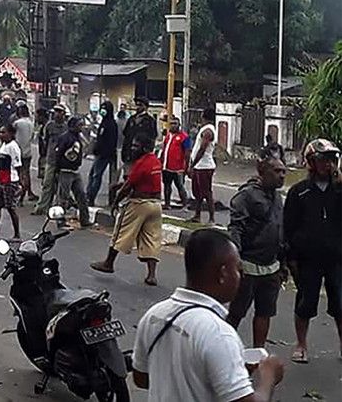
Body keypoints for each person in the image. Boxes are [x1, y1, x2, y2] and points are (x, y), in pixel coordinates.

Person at [131, 228, 284, 401]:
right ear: (223, 273)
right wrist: (269, 376)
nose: (240, 277)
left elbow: (141, 378)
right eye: (238, 270)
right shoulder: (218, 333)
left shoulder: (154, 315)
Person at [282, 138, 341, 364]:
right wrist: (290, 257)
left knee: (340, 304)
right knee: (305, 303)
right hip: (308, 259)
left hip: (336, 258)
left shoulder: (338, 190)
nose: (328, 164)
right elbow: (288, 226)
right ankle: (301, 344)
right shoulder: (300, 192)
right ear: (311, 162)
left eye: (331, 160)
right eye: (323, 160)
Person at [226, 150, 287, 348]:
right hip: (248, 266)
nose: (282, 176)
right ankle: (223, 347)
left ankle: (258, 353)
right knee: (237, 312)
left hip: (271, 268)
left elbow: (281, 230)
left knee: (265, 312)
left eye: (284, 172)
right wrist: (236, 261)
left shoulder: (277, 198)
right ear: (263, 171)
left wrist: (283, 264)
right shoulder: (247, 196)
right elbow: (235, 228)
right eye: (277, 171)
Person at [91, 133, 163, 285]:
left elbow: (128, 187)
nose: (132, 148)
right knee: (151, 238)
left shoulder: (141, 163)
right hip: (156, 205)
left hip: (139, 203)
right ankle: (151, 275)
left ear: (143, 148)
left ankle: (108, 263)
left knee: (121, 232)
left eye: (136, 146)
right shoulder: (155, 161)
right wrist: (120, 185)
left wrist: (115, 201)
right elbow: (138, 180)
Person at [54, 115, 92, 227]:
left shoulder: (77, 137)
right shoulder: (65, 138)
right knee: (63, 197)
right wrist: (58, 169)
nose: (81, 127)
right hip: (66, 170)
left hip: (75, 170)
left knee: (81, 195)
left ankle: (85, 220)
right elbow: (59, 154)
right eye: (79, 125)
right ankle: (60, 220)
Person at [0, 123, 23, 241]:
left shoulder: (13, 147)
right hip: (3, 180)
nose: (1, 135)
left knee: (10, 207)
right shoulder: (5, 145)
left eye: (4, 132)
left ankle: (17, 234)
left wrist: (20, 184)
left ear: (11, 134)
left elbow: (18, 165)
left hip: (10, 180)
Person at [34, 104, 67, 215]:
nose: (56, 114)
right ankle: (42, 207)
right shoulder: (49, 126)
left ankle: (59, 207)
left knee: (61, 186)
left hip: (62, 161)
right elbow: (45, 141)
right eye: (55, 112)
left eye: (59, 112)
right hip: (51, 159)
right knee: (47, 184)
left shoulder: (65, 128)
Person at [188, 108, 217, 224]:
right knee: (198, 193)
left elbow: (202, 149)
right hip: (199, 165)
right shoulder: (205, 130)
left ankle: (211, 218)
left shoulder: (208, 131)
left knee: (206, 192)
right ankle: (197, 215)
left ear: (203, 116)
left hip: (204, 165)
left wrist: (193, 164)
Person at [87, 100, 118, 207]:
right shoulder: (104, 122)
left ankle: (91, 197)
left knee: (96, 176)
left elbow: (110, 142)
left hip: (104, 155)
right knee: (92, 175)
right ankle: (89, 196)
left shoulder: (111, 124)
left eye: (104, 109)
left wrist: (103, 153)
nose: (102, 111)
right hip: (99, 154)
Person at [159, 116, 191, 210]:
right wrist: (161, 161)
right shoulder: (168, 136)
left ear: (179, 125)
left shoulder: (184, 137)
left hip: (178, 167)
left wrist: (186, 166)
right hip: (166, 166)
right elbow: (164, 149)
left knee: (180, 186)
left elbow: (187, 152)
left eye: (175, 124)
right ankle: (167, 203)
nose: (173, 126)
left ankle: (185, 204)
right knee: (167, 185)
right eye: (171, 124)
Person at [121, 97, 157, 172]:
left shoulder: (150, 120)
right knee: (128, 177)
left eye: (140, 105)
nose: (138, 107)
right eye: (137, 105)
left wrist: (146, 150)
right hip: (129, 154)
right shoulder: (131, 119)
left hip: (142, 155)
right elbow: (125, 134)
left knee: (140, 177)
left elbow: (153, 137)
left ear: (146, 107)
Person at [12, 104, 37, 205]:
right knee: (26, 173)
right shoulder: (31, 123)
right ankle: (28, 193)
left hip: (18, 152)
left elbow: (11, 133)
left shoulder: (17, 123)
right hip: (28, 151)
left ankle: (20, 196)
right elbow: (32, 137)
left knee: (19, 175)